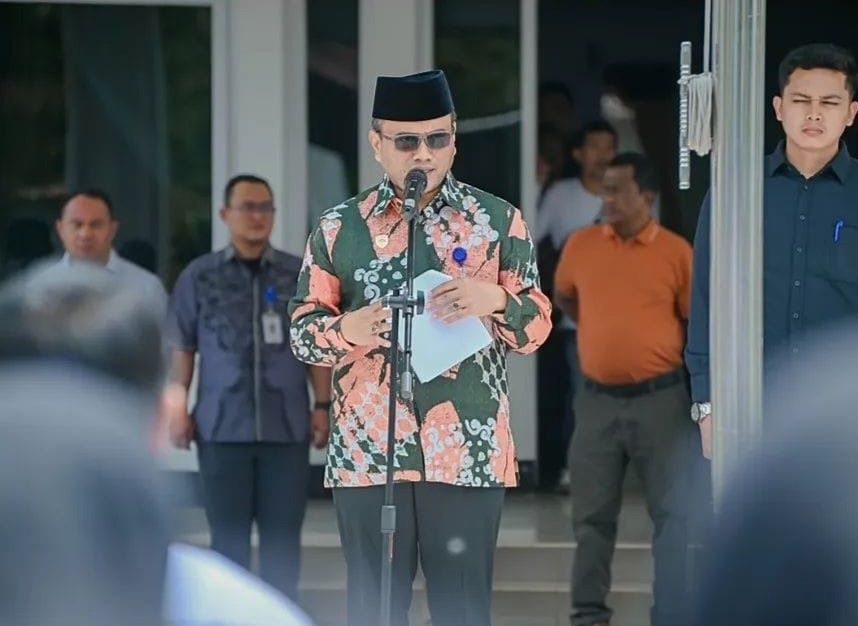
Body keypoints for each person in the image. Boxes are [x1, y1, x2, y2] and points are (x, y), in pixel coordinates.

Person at [288, 70, 552, 626]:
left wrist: (494, 299)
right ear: (377, 143)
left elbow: (536, 330)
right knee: (375, 609)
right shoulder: (339, 228)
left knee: (462, 609)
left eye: (438, 138)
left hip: (466, 448)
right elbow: (303, 333)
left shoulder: (496, 221)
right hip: (369, 452)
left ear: (454, 139)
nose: (424, 154)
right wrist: (349, 328)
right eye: (407, 141)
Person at [686, 43, 858, 457]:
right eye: (801, 101)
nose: (814, 114)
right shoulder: (735, 189)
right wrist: (707, 404)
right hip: (751, 405)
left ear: (851, 113)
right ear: (779, 108)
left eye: (829, 102)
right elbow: (706, 298)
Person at [166, 173, 332, 601]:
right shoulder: (199, 276)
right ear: (225, 214)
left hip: (286, 428)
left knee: (283, 541)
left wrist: (322, 405)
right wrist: (177, 408)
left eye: (265, 208)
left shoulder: (298, 274)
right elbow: (183, 347)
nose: (257, 216)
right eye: (247, 207)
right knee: (227, 542)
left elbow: (316, 346)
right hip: (222, 428)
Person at [554, 153, 695, 626]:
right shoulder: (581, 245)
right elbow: (565, 296)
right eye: (604, 188)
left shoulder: (676, 252)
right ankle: (588, 614)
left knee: (673, 516)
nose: (606, 198)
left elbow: (692, 318)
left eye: (617, 189)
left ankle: (671, 615)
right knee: (591, 518)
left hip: (661, 400)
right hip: (597, 401)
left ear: (646, 196)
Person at [41, 189, 167, 311]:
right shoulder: (40, 288)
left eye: (95, 225)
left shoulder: (146, 288)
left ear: (112, 229)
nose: (85, 234)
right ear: (60, 229)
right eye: (77, 225)